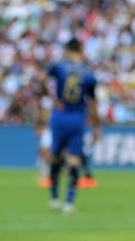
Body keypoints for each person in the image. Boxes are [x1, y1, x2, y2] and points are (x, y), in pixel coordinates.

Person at [39, 38, 100, 214]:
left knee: (56, 156)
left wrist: (51, 98)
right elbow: (93, 103)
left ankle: (54, 198)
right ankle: (69, 202)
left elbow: (42, 77)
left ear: (67, 50)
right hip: (77, 117)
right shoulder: (87, 73)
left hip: (59, 115)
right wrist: (97, 126)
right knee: (74, 159)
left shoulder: (59, 67)